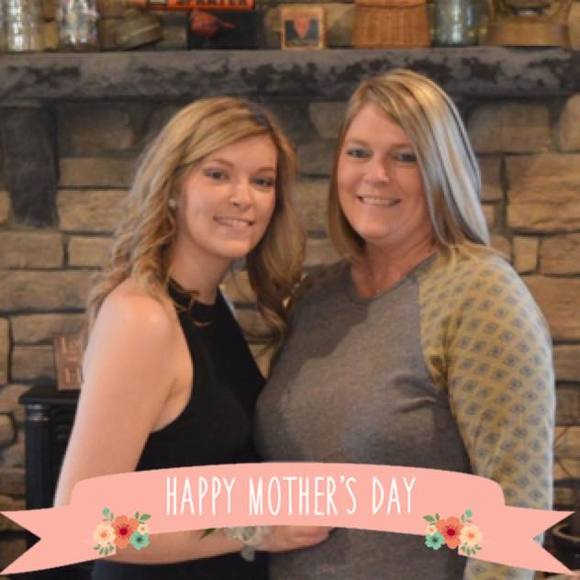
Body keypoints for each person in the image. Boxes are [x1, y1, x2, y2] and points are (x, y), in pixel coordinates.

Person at [255, 69, 555, 579]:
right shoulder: (313, 297)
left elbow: (514, 513)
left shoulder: (479, 293)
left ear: (442, 171)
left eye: (405, 156)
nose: (376, 175)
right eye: (358, 152)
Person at [54, 97, 330, 579]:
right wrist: (255, 530)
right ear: (172, 188)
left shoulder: (210, 304)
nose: (243, 198)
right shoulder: (143, 318)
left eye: (262, 181)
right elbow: (81, 523)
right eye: (218, 174)